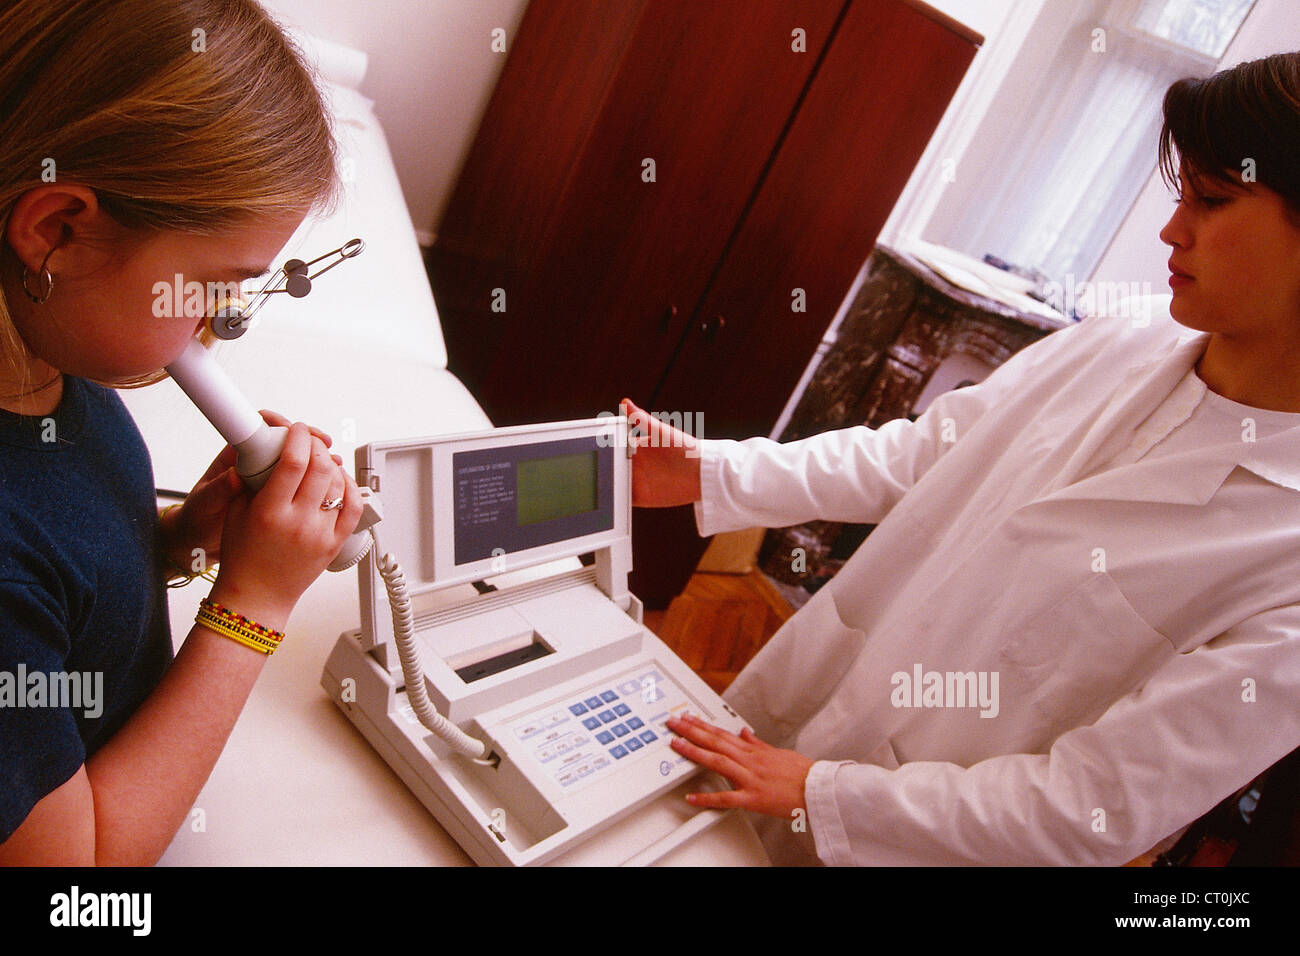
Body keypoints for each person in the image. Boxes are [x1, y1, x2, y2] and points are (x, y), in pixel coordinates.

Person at [630, 50, 1300, 866]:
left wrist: (825, 794)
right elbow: (928, 454)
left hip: (928, 838)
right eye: (1179, 193)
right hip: (809, 715)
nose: (1171, 228)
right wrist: (713, 472)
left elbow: (1096, 805)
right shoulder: (1124, 342)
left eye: (1213, 200)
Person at [0, 0, 362, 865]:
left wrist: (183, 543)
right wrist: (253, 606)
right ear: (58, 232)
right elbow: (73, 890)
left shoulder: (51, 362)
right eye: (215, 285)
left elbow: (68, 592)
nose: (220, 322)